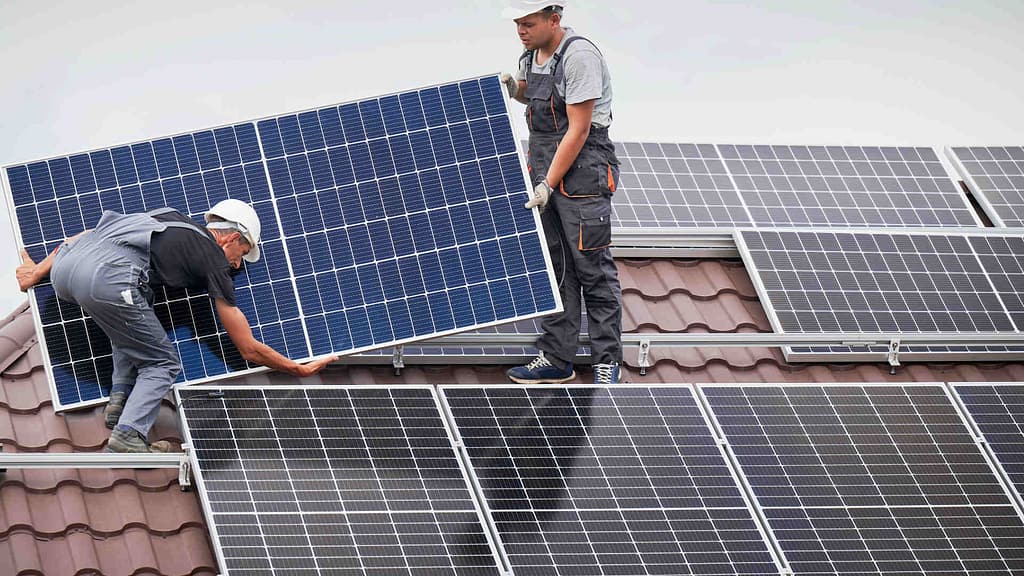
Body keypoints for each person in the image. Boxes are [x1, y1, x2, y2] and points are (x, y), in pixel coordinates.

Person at [16, 200, 336, 453]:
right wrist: (296, 369)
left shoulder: (167, 215)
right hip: (107, 279)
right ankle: (128, 435)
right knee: (163, 363)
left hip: (65, 270)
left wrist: (37, 272)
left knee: (138, 306)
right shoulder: (213, 259)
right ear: (232, 238)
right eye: (243, 252)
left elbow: (88, 234)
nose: (239, 263)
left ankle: (119, 400)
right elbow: (247, 347)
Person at [501, 0, 623, 385]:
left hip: (582, 171)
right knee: (556, 267)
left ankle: (607, 359)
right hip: (543, 166)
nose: (521, 30)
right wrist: (514, 87)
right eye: (518, 23)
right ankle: (556, 357)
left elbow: (579, 129)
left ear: (555, 19)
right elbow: (534, 96)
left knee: (592, 268)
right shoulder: (531, 54)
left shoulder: (579, 56)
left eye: (529, 22)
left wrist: (548, 183)